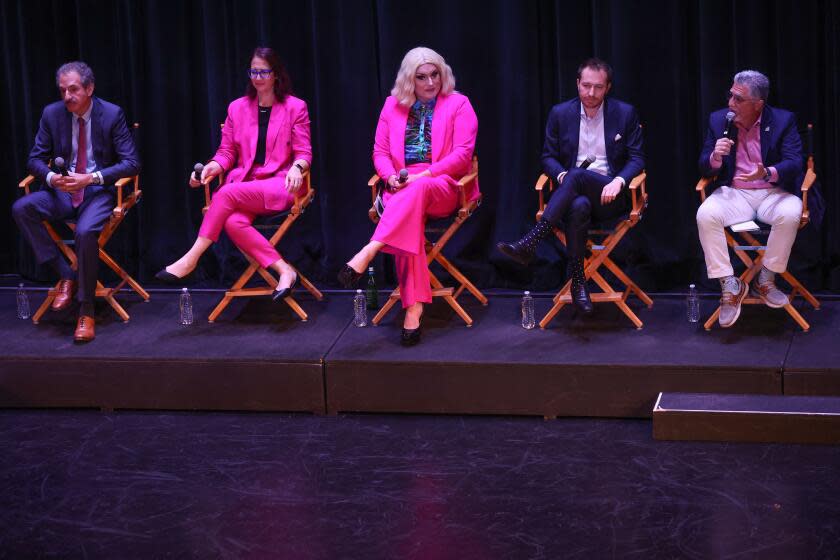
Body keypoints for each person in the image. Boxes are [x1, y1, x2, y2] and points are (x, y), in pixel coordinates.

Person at [338, 46, 479, 346]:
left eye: (434, 75)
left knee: (413, 194)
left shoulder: (459, 104)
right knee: (408, 219)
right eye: (421, 77)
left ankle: (370, 249)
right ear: (409, 80)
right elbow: (379, 152)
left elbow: (463, 156)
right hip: (400, 188)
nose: (430, 83)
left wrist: (423, 176)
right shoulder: (392, 105)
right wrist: (390, 176)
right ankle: (413, 311)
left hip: (442, 184)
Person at [156, 47, 311, 302]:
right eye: (253, 71)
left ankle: (192, 257)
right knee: (232, 222)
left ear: (276, 75)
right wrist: (212, 167)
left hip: (281, 183)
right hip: (247, 186)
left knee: (225, 193)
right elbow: (226, 152)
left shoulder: (295, 107)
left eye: (264, 71)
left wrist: (298, 166)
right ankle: (284, 271)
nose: (257, 76)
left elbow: (304, 151)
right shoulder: (237, 108)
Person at [497, 58, 644, 315]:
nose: (591, 93)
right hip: (571, 198)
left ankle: (532, 240)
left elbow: (637, 158)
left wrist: (620, 181)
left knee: (577, 176)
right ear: (577, 84)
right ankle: (578, 283)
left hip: (611, 196)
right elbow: (547, 157)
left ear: (608, 87)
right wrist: (561, 174)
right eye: (586, 86)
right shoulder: (560, 113)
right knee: (578, 203)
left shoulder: (625, 113)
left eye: (598, 87)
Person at [12, 61, 141, 342]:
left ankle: (86, 310)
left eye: (73, 90)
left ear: (89, 88)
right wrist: (50, 179)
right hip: (63, 191)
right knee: (22, 208)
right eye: (63, 91)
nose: (67, 96)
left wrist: (91, 178)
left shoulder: (111, 114)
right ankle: (65, 274)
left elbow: (132, 163)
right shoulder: (52, 114)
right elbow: (34, 159)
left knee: (84, 233)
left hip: (98, 192)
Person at [696, 70, 803, 328]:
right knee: (705, 214)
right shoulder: (718, 120)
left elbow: (795, 162)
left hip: (772, 192)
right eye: (730, 96)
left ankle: (765, 279)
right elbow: (704, 166)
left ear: (758, 104)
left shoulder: (782, 120)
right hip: (735, 193)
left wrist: (766, 172)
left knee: (791, 212)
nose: (730, 103)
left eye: (738, 99)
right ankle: (729, 285)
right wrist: (715, 158)